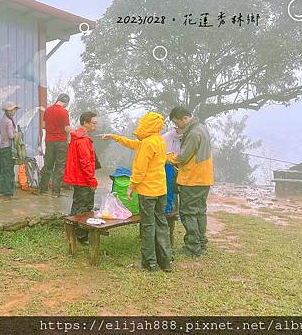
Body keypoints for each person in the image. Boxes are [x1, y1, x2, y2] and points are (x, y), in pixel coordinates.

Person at [102, 112, 173, 272]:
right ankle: (166, 261)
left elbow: (140, 169)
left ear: (146, 125)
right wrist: (114, 137)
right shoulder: (158, 140)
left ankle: (150, 263)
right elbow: (132, 143)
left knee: (148, 226)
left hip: (147, 192)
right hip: (161, 190)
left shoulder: (147, 143)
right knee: (161, 223)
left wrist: (131, 186)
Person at [167, 106, 214, 257]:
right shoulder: (202, 128)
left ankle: (192, 247)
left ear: (185, 119)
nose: (176, 126)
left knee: (188, 212)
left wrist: (167, 156)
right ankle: (201, 243)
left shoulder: (193, 133)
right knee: (200, 211)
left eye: (177, 122)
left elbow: (183, 158)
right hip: (204, 178)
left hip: (193, 179)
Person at [63, 111, 98, 244]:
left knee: (77, 204)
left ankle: (74, 233)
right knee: (85, 207)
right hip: (83, 178)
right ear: (85, 123)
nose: (96, 126)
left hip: (78, 177)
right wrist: (92, 180)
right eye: (94, 123)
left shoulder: (77, 136)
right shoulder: (83, 140)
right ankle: (81, 235)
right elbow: (86, 162)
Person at [38, 93, 71, 196]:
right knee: (59, 166)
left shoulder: (48, 110)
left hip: (49, 140)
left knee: (48, 165)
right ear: (65, 102)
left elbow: (43, 125)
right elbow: (66, 129)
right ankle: (55, 192)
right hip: (61, 141)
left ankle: (43, 190)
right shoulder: (64, 112)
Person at [0, 101, 20, 199]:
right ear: (9, 111)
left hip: (2, 148)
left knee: (3, 170)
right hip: (8, 149)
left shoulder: (3, 120)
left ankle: (2, 191)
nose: (14, 111)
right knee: (9, 170)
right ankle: (8, 193)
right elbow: (11, 136)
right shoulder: (9, 121)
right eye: (13, 110)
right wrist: (16, 133)